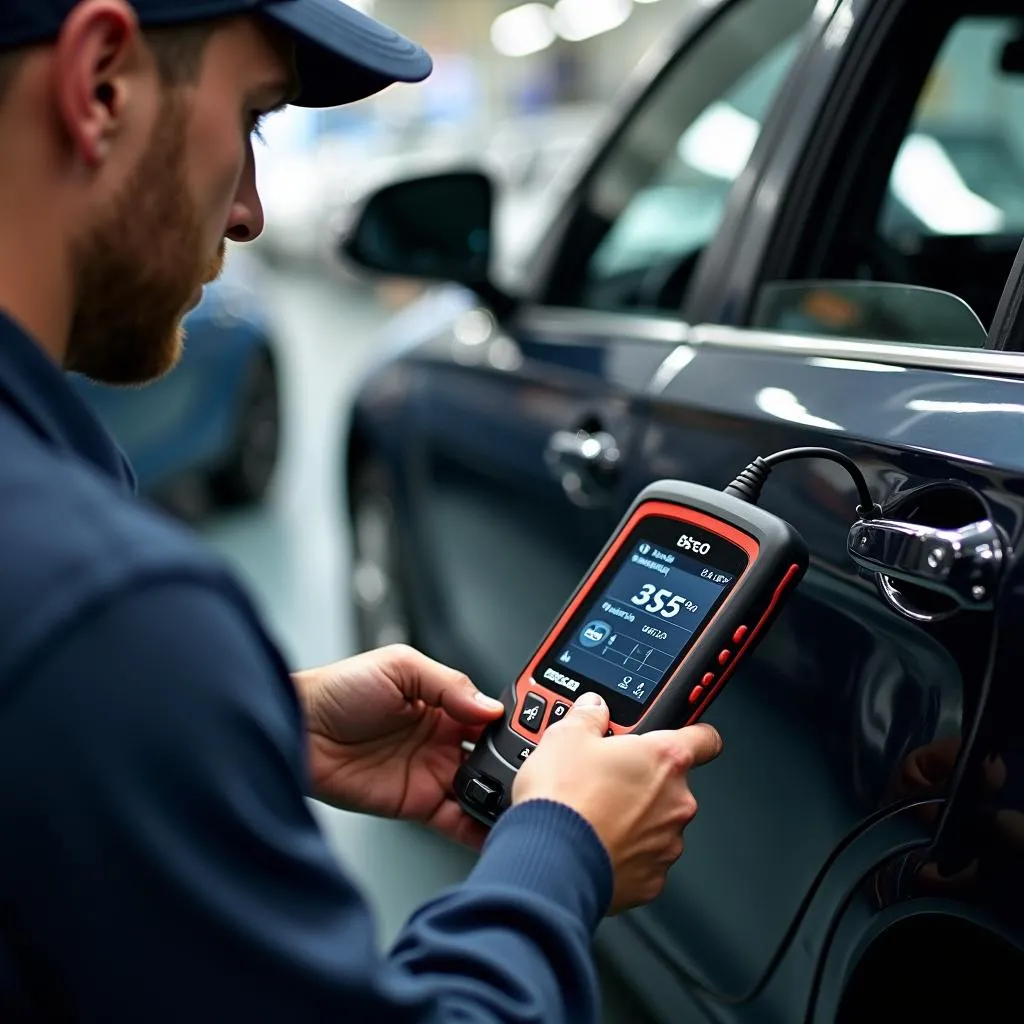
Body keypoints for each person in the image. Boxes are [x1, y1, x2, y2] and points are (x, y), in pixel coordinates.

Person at [0, 2, 724, 1020]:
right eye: (251, 117)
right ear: (101, 83)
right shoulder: (97, 608)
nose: (249, 209)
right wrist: (560, 851)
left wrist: (246, 726)